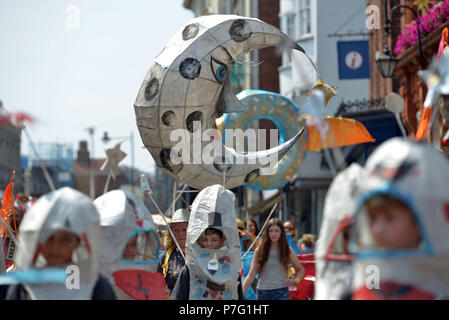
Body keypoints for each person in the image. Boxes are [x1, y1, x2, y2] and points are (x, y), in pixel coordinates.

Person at [351, 138, 449, 300]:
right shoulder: (364, 281)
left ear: (420, 222)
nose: (377, 229)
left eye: (389, 218)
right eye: (373, 218)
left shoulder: (439, 285)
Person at [2, 187, 116, 300]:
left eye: (65, 239)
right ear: (39, 242)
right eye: (49, 238)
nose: (55, 247)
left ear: (77, 243)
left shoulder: (96, 286)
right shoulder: (22, 286)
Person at [171, 185, 243, 300]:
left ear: (222, 241)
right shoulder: (191, 268)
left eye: (214, 240)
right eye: (205, 239)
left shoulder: (231, 268)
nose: (209, 243)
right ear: (198, 241)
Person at [94, 190, 165, 300]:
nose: (128, 251)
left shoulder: (147, 280)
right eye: (121, 245)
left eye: (132, 245)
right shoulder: (89, 283)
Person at [314, 163, 364, 300]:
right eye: (347, 236)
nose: (352, 243)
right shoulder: (332, 268)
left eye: (360, 235)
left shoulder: (375, 266)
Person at [243, 218, 305, 300]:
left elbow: (301, 269)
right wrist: (239, 294)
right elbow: (251, 275)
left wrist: (296, 281)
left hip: (281, 292)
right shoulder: (259, 251)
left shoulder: (287, 250)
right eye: (271, 231)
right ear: (267, 233)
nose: (273, 234)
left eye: (277, 231)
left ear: (281, 233)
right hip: (263, 292)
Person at [157, 208, 189, 294]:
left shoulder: (202, 254)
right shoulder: (164, 258)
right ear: (171, 233)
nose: (180, 234)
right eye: (176, 230)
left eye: (184, 230)